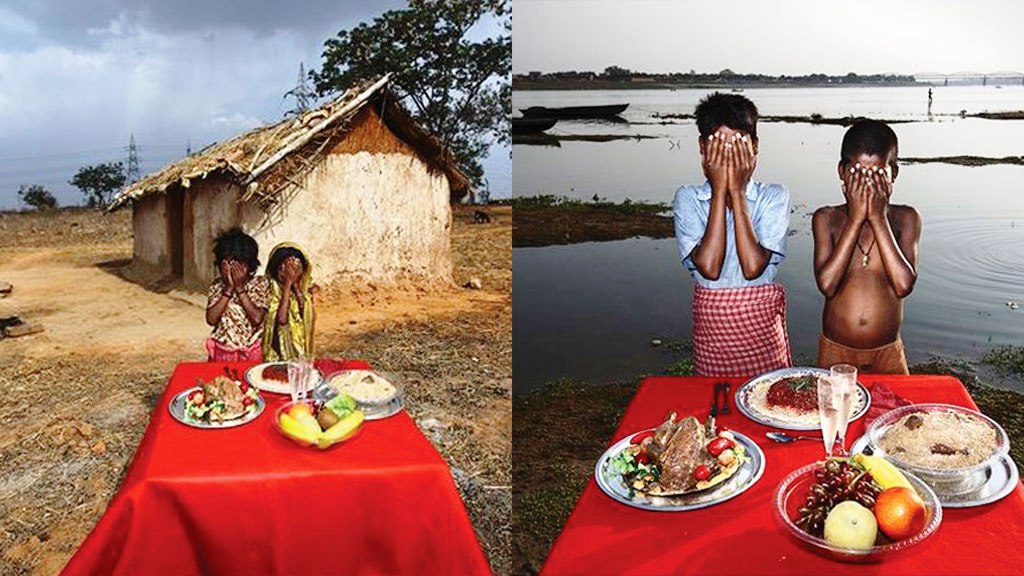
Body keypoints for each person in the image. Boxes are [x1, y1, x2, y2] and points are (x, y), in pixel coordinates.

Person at [673, 92, 792, 376]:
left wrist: (736, 192)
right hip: (713, 332)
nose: (729, 156)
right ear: (703, 148)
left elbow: (753, 267)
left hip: (760, 330)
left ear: (754, 146)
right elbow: (710, 268)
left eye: (738, 143)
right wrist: (719, 190)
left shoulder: (774, 196)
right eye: (719, 144)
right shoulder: (688, 198)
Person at [812, 120, 921, 374]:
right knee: (836, 411)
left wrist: (878, 217)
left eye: (877, 174)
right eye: (860, 174)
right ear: (842, 171)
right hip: (835, 348)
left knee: (897, 411)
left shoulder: (905, 218)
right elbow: (827, 285)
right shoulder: (827, 219)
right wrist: (856, 218)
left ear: (893, 173)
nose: (868, 184)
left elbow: (904, 285)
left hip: (888, 350)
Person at [205, 228, 269, 361]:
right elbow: (211, 319)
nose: (232, 270)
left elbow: (257, 318)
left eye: (237, 264)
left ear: (249, 265)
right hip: (223, 350)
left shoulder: (259, 284)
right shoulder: (218, 286)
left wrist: (239, 288)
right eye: (227, 264)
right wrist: (228, 289)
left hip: (251, 351)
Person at [262, 243, 316, 361]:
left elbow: (306, 316)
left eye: (296, 268)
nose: (292, 273)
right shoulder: (270, 291)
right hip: (277, 355)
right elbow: (282, 320)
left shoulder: (304, 293)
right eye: (287, 268)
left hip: (299, 353)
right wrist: (287, 284)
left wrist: (296, 287)